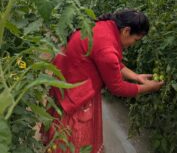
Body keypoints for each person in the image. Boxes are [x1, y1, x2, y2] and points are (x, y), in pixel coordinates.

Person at [41, 9, 164, 153]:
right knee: (72, 138)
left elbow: (110, 61)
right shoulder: (107, 49)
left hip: (65, 76)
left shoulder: (105, 26)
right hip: (75, 89)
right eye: (135, 39)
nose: (133, 44)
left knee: (60, 125)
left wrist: (136, 77)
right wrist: (149, 88)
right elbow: (117, 87)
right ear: (126, 30)